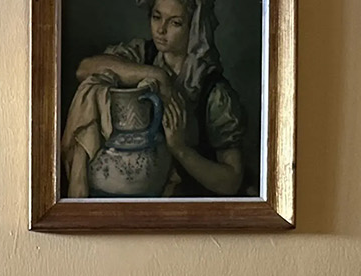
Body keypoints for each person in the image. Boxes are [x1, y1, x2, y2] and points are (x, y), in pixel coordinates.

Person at [63, 0, 247, 198]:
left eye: (175, 23)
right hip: (132, 182)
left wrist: (180, 149)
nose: (161, 29)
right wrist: (158, 75)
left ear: (194, 27)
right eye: (157, 17)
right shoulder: (142, 55)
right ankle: (78, 175)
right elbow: (85, 69)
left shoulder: (213, 90)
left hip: (188, 197)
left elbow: (231, 182)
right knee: (94, 86)